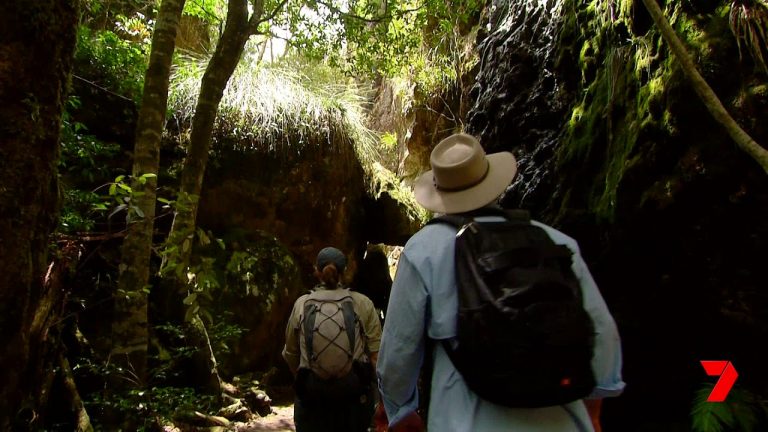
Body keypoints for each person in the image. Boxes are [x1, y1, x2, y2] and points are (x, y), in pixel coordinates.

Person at [376, 133, 625, 432]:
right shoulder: (556, 242)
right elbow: (602, 331)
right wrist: (594, 407)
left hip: (463, 422)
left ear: (439, 192)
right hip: (563, 419)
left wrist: (401, 411)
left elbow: (399, 351)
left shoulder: (423, 251)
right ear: (493, 183)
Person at [283, 246, 382, 432]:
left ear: (316, 271)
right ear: (345, 271)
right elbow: (376, 356)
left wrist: (303, 378)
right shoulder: (362, 303)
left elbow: (290, 353)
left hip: (313, 395)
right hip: (353, 394)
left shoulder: (301, 304)